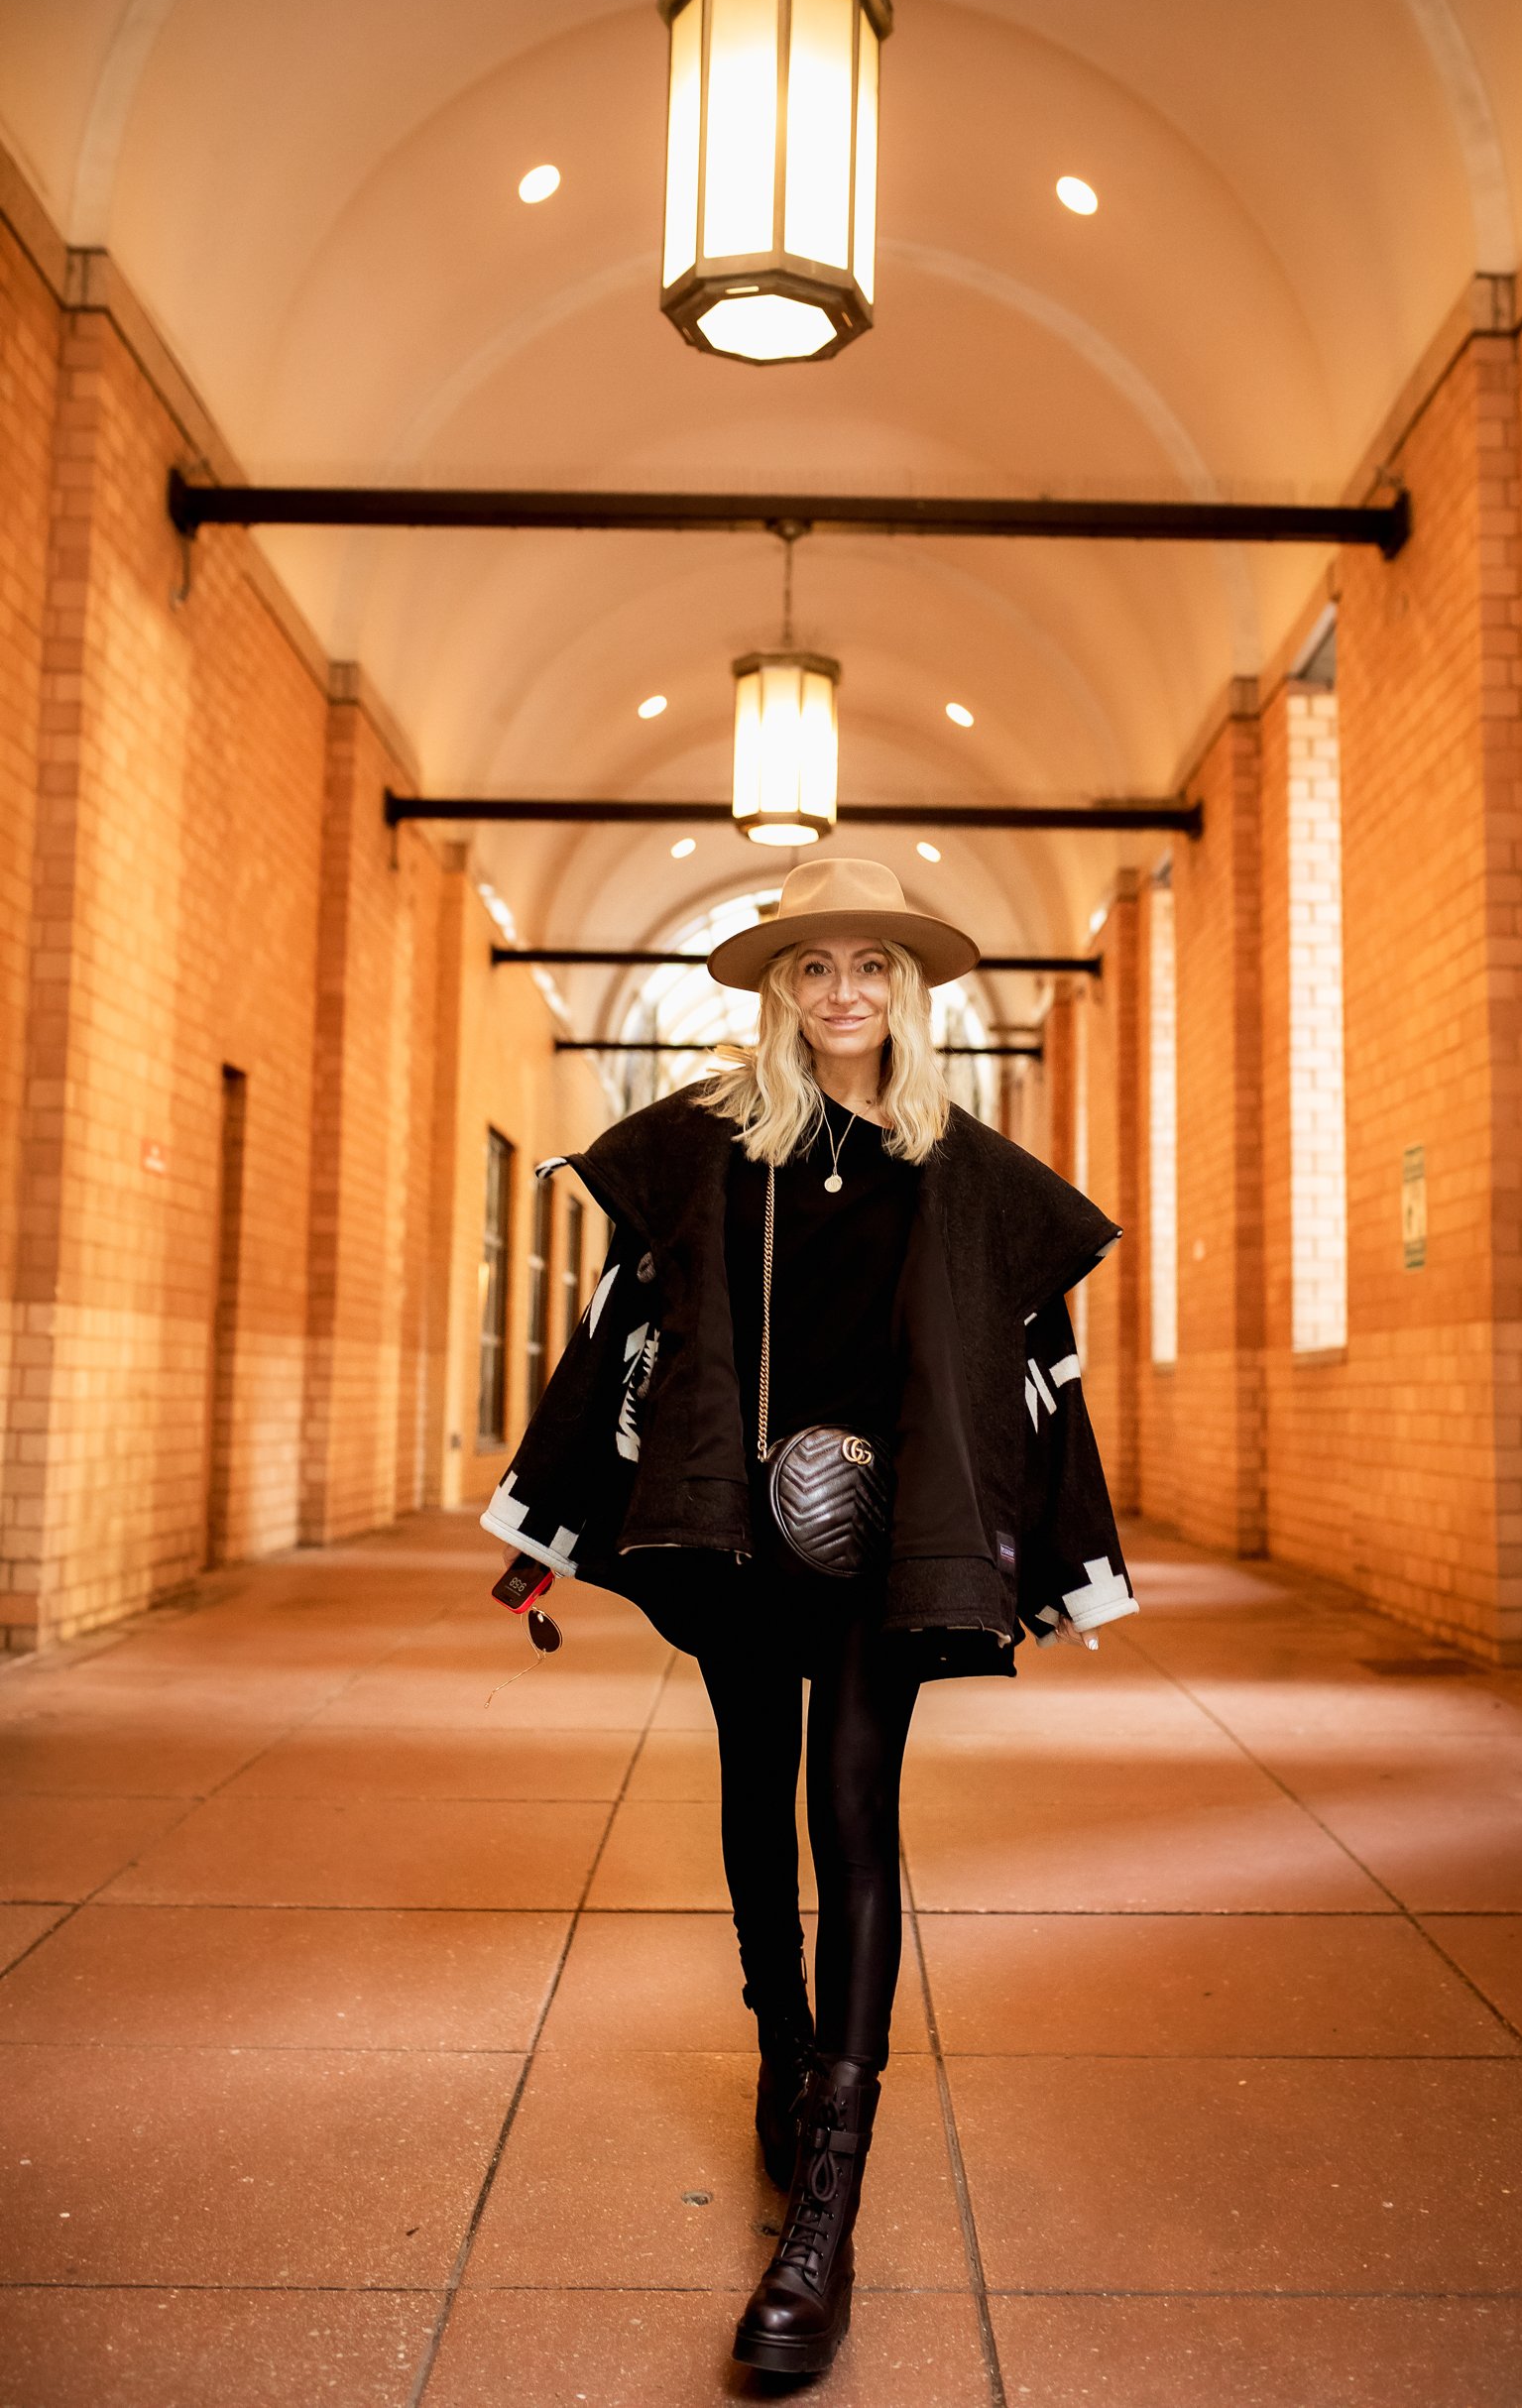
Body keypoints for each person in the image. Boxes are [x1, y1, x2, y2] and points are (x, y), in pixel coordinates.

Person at [481, 857, 1135, 2377]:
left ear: (907, 993)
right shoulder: (713, 1148)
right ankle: (780, 2039)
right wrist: (551, 1524)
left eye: (870, 969)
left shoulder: (964, 1171)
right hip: (732, 1528)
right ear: (785, 992)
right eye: (815, 968)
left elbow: (1029, 1371)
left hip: (882, 1548)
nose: (843, 994)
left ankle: (823, 2204)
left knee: (855, 1812)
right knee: (749, 1789)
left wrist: (1049, 1546)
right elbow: (622, 1337)